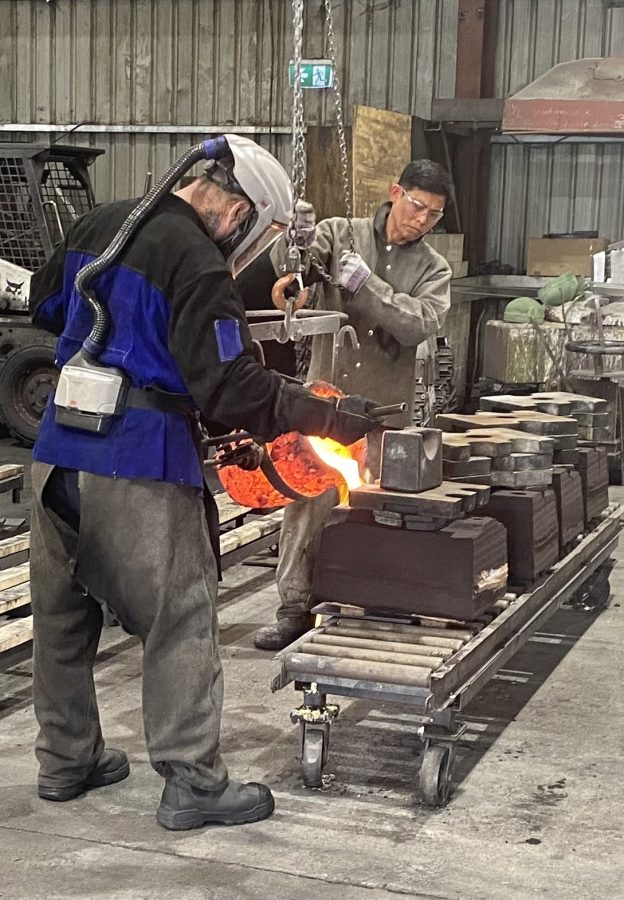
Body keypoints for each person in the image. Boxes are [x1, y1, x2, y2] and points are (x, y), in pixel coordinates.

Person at [27, 136, 382, 831]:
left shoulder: (102, 226)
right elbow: (229, 387)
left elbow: (43, 304)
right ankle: (192, 780)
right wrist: (326, 416)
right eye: (260, 233)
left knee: (62, 616)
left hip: (56, 454)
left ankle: (65, 761)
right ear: (238, 210)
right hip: (138, 461)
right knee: (180, 619)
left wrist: (122, 339)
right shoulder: (196, 261)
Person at [253, 159, 455, 651]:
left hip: (385, 416)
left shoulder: (434, 268)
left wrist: (370, 288)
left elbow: (419, 324)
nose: (422, 220)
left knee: (377, 513)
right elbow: (293, 273)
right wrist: (292, 239)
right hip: (325, 409)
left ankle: (372, 610)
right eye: (417, 206)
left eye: (434, 215)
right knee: (308, 505)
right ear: (395, 193)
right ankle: (294, 610)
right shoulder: (339, 233)